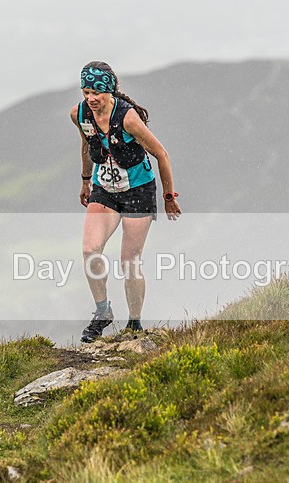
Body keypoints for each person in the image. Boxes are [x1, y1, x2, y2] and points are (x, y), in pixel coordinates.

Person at [70, 61, 181, 343]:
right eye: (85, 92)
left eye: (96, 92)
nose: (91, 99)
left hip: (138, 191)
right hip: (104, 189)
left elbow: (162, 154)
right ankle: (102, 311)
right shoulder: (79, 114)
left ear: (109, 90)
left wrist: (168, 197)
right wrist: (85, 181)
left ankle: (134, 324)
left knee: (129, 261)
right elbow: (85, 146)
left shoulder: (129, 119)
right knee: (89, 249)